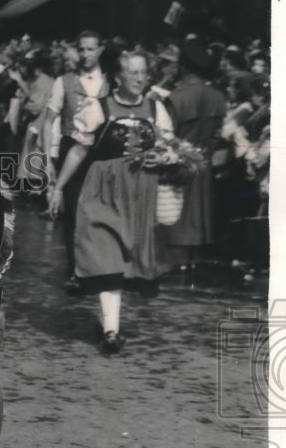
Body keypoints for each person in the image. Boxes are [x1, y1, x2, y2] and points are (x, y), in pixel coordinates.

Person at [49, 50, 174, 356]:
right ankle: (112, 332)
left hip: (139, 193)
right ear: (117, 77)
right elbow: (79, 151)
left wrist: (164, 156)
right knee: (107, 257)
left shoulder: (156, 109)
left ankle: (109, 323)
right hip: (102, 190)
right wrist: (58, 187)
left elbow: (172, 148)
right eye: (132, 72)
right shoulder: (99, 106)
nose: (139, 77)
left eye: (144, 72)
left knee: (123, 260)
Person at [41, 30, 110, 294]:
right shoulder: (64, 82)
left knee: (101, 211)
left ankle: (99, 267)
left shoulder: (110, 83)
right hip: (72, 148)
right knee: (72, 212)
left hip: (103, 152)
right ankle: (76, 271)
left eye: (90, 49)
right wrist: (46, 159)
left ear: (100, 50)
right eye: (81, 49)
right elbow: (48, 121)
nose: (85, 54)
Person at [161, 39, 227, 273]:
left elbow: (164, 138)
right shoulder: (218, 98)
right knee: (196, 238)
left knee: (173, 232)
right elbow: (217, 136)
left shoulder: (176, 97)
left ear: (183, 66)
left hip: (176, 172)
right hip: (204, 172)